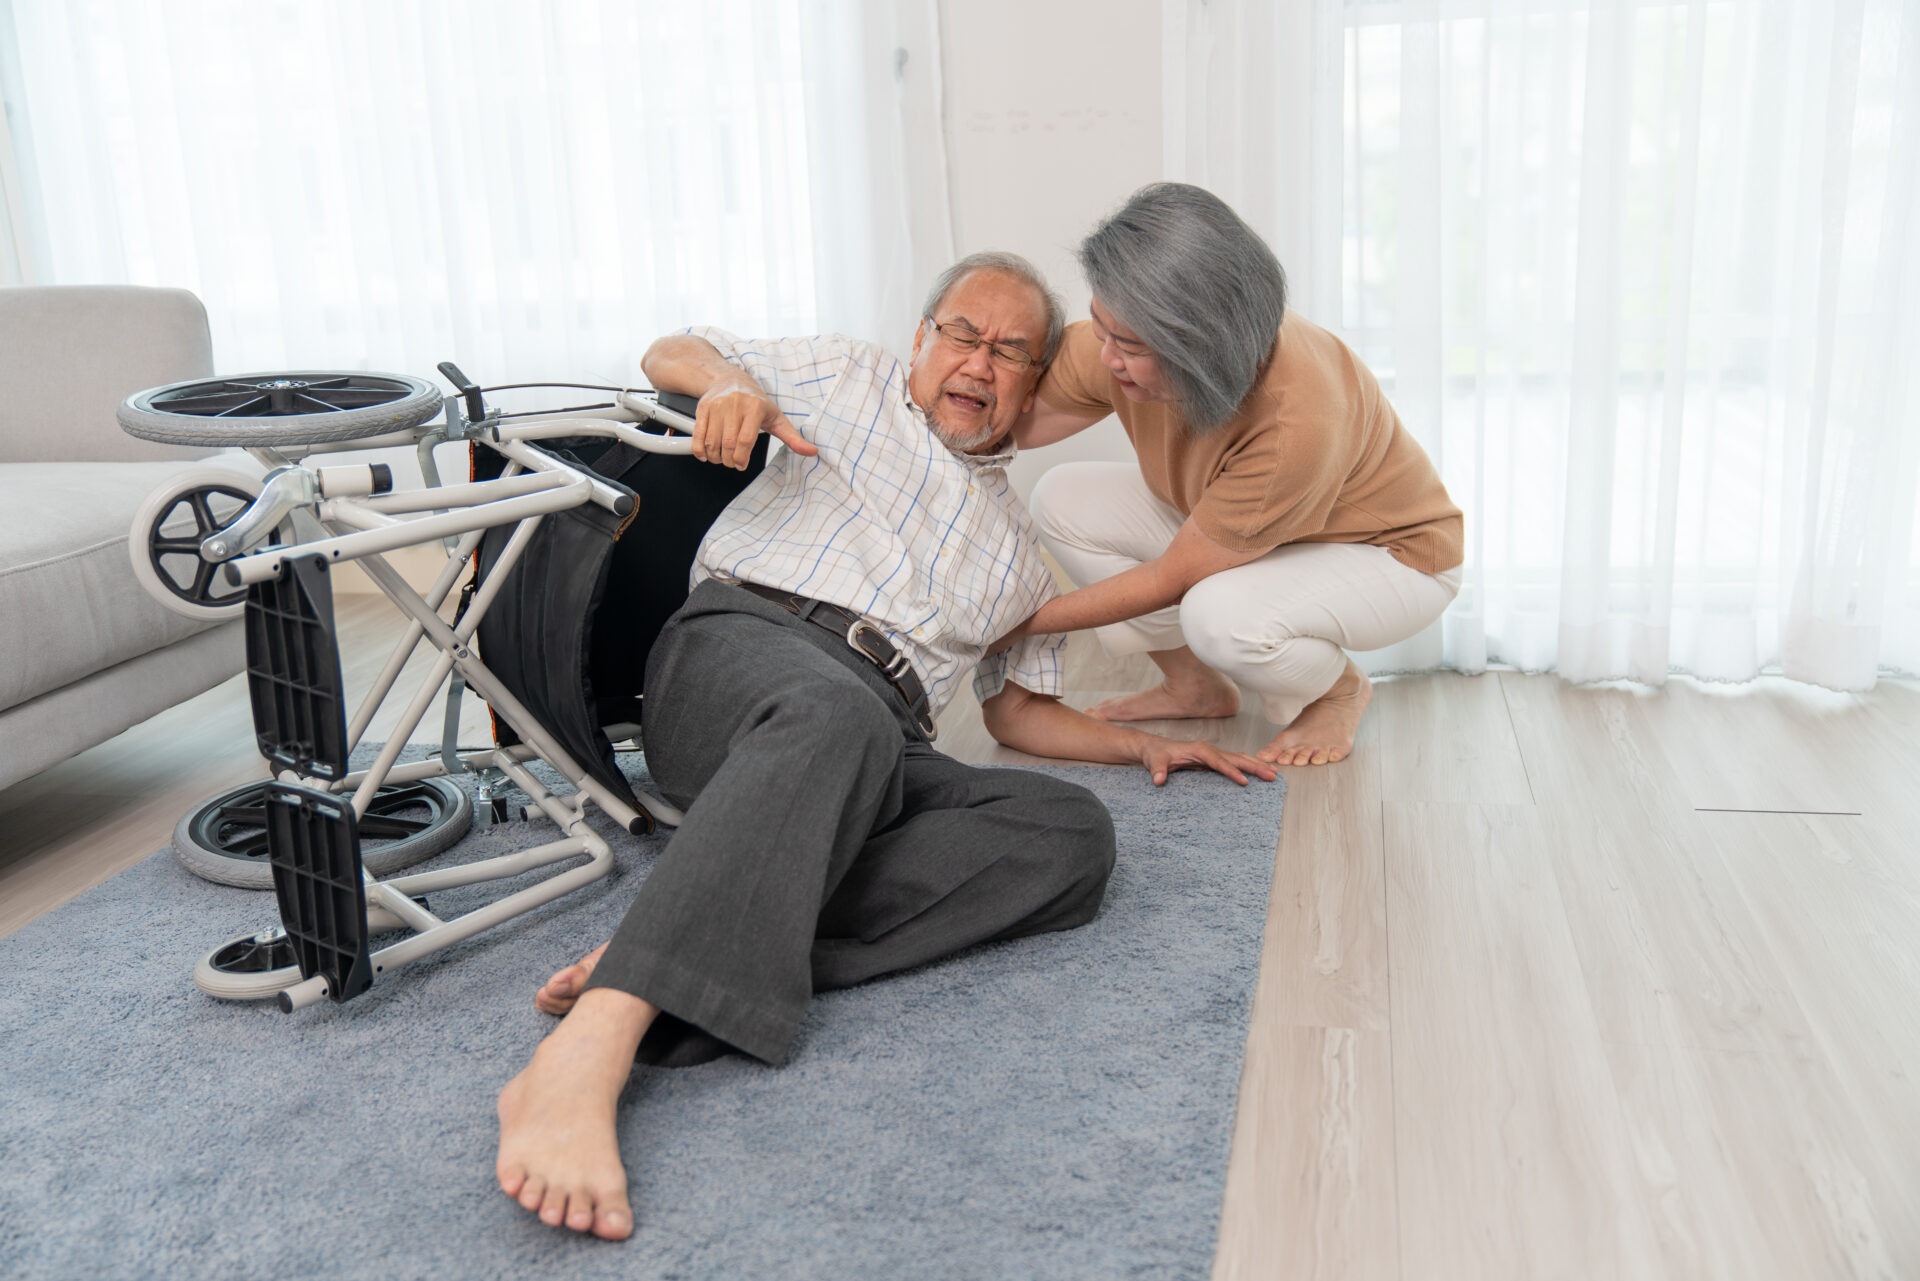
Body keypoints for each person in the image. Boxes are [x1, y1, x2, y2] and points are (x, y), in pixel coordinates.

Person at [494, 251, 1275, 1241]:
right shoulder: (848, 382)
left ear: (1033, 386)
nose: (979, 362)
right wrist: (731, 386)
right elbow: (671, 350)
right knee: (840, 715)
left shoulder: (1020, 556)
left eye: (1011, 352)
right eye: (961, 333)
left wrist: (1146, 751)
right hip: (739, 654)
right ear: (921, 341)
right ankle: (600, 1038)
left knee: (1068, 838)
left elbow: (1016, 721)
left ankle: (695, 923)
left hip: (877, 737)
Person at [1003, 183, 1465, 767]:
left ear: (1200, 348)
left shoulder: (1296, 419)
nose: (1105, 357)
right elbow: (1006, 428)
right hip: (1264, 534)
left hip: (1389, 557)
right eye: (1100, 327)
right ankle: (1196, 688)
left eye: (1128, 344)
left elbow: (1171, 578)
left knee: (1218, 617)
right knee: (1063, 497)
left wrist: (1008, 626)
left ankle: (1338, 689)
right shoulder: (1122, 337)